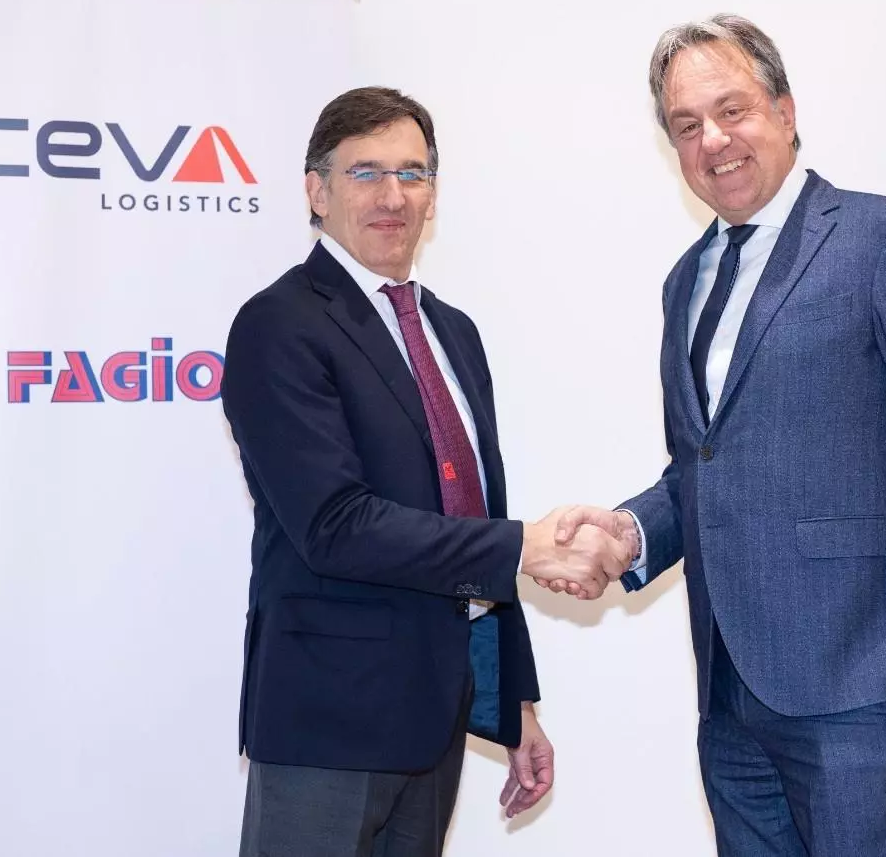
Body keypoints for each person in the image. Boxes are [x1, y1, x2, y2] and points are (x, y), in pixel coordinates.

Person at [550, 16, 886, 855]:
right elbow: (700, 467)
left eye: (733, 110)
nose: (713, 140)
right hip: (729, 690)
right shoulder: (686, 280)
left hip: (862, 683)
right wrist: (629, 533)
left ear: (786, 112)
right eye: (687, 125)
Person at [221, 86, 629, 857]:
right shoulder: (278, 324)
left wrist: (512, 702)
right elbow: (334, 526)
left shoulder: (452, 332)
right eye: (365, 172)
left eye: (412, 174)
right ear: (316, 191)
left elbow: (470, 516)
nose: (392, 195)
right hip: (326, 723)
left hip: (435, 719)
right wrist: (525, 545)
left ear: (433, 195)